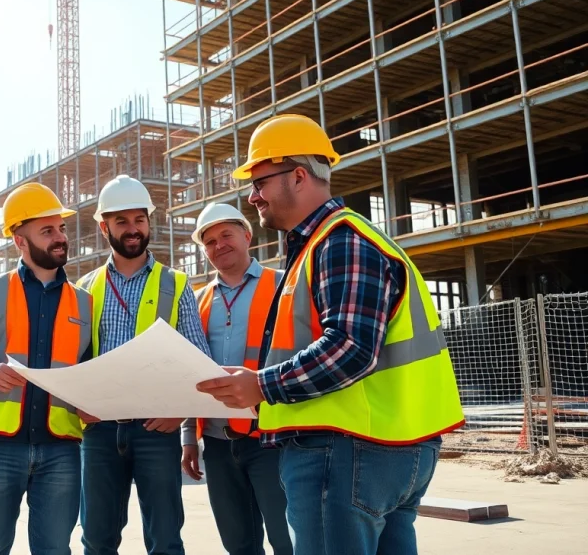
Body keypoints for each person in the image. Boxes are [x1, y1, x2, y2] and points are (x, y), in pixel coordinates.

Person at [196, 114, 465, 555]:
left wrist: (259, 385)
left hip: (346, 452)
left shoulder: (340, 241)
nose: (253, 195)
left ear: (298, 176)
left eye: (260, 181)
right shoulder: (333, 242)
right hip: (387, 448)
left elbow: (351, 348)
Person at [0, 182, 94, 555]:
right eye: (47, 231)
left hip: (61, 447)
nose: (60, 238)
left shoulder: (86, 303)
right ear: (20, 241)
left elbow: (90, 371)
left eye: (61, 228)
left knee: (56, 550)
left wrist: (94, 404)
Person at [75, 174, 210, 555]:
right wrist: (78, 405)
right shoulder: (85, 287)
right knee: (97, 541)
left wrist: (181, 412)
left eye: (139, 219)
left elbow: (197, 360)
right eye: (121, 221)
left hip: (156, 429)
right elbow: (73, 360)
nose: (132, 229)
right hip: (99, 432)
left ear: (149, 222)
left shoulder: (177, 284)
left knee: (166, 540)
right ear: (105, 227)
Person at [180, 202, 292, 555]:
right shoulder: (197, 302)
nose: (219, 245)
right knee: (238, 544)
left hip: (272, 439)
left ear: (246, 235)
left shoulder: (283, 286)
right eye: (209, 241)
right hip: (216, 444)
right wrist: (188, 438)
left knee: (288, 540)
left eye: (225, 235)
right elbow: (188, 371)